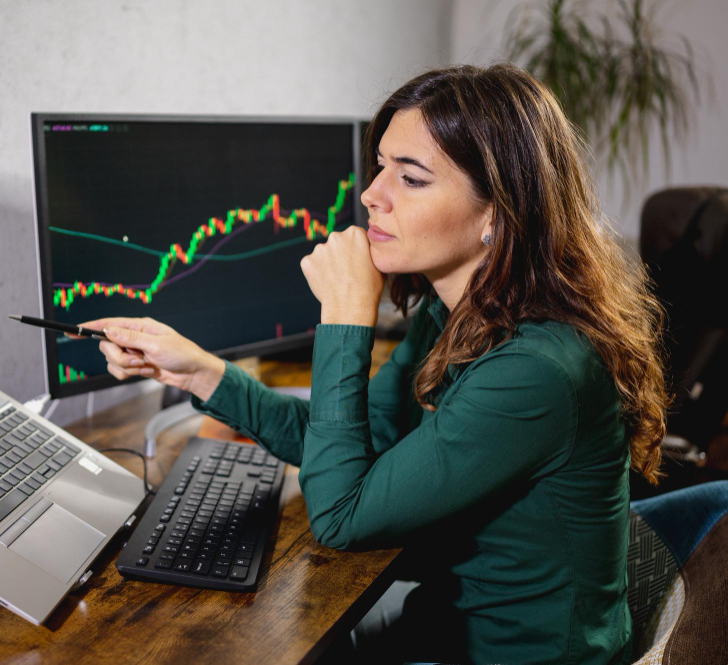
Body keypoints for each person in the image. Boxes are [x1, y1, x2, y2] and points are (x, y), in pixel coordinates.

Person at [75, 64, 669, 664]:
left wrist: (346, 314)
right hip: (443, 622)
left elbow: (341, 515)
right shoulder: (457, 314)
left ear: (496, 213)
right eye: (382, 166)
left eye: (410, 178)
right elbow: (357, 443)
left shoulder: (536, 370)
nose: (371, 195)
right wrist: (198, 372)